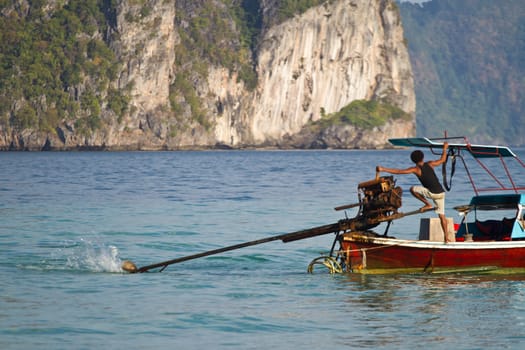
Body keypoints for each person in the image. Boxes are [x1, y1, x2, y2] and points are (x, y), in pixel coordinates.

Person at [376, 142, 450, 242]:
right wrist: (445, 148)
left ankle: (427, 204)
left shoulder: (415, 169)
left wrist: (383, 169)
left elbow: (399, 171)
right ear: (423, 158)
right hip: (441, 193)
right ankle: (447, 238)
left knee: (412, 189)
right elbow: (443, 160)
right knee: (442, 216)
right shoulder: (430, 164)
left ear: (413, 160)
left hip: (432, 193)